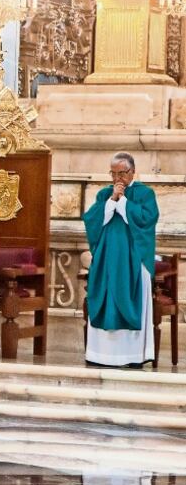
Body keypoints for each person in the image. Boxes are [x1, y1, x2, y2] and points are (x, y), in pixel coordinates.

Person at [83, 152, 159, 367]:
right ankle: (101, 355)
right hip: (107, 259)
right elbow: (92, 220)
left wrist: (123, 201)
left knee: (130, 297)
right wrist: (112, 200)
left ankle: (132, 356)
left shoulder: (145, 194)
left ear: (133, 172)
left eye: (122, 173)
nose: (117, 179)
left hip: (135, 259)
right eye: (113, 173)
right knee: (105, 298)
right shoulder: (104, 194)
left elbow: (147, 219)